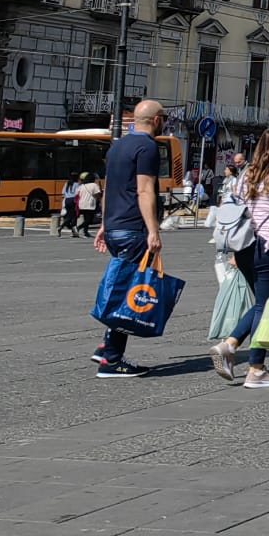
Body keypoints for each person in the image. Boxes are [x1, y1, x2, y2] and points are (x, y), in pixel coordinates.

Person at [210, 125, 269, 388]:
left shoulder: (246, 175)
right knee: (266, 306)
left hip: (244, 245)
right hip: (268, 246)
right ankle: (256, 369)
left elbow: (235, 209)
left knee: (262, 302)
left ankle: (230, 345)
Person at [90, 101, 169, 377]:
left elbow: (109, 188)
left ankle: (106, 346)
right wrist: (153, 230)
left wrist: (104, 225)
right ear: (156, 120)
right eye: (164, 118)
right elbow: (144, 190)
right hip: (133, 228)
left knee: (123, 285)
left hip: (115, 227)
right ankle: (112, 360)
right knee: (129, 291)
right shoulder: (147, 147)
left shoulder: (117, 146)